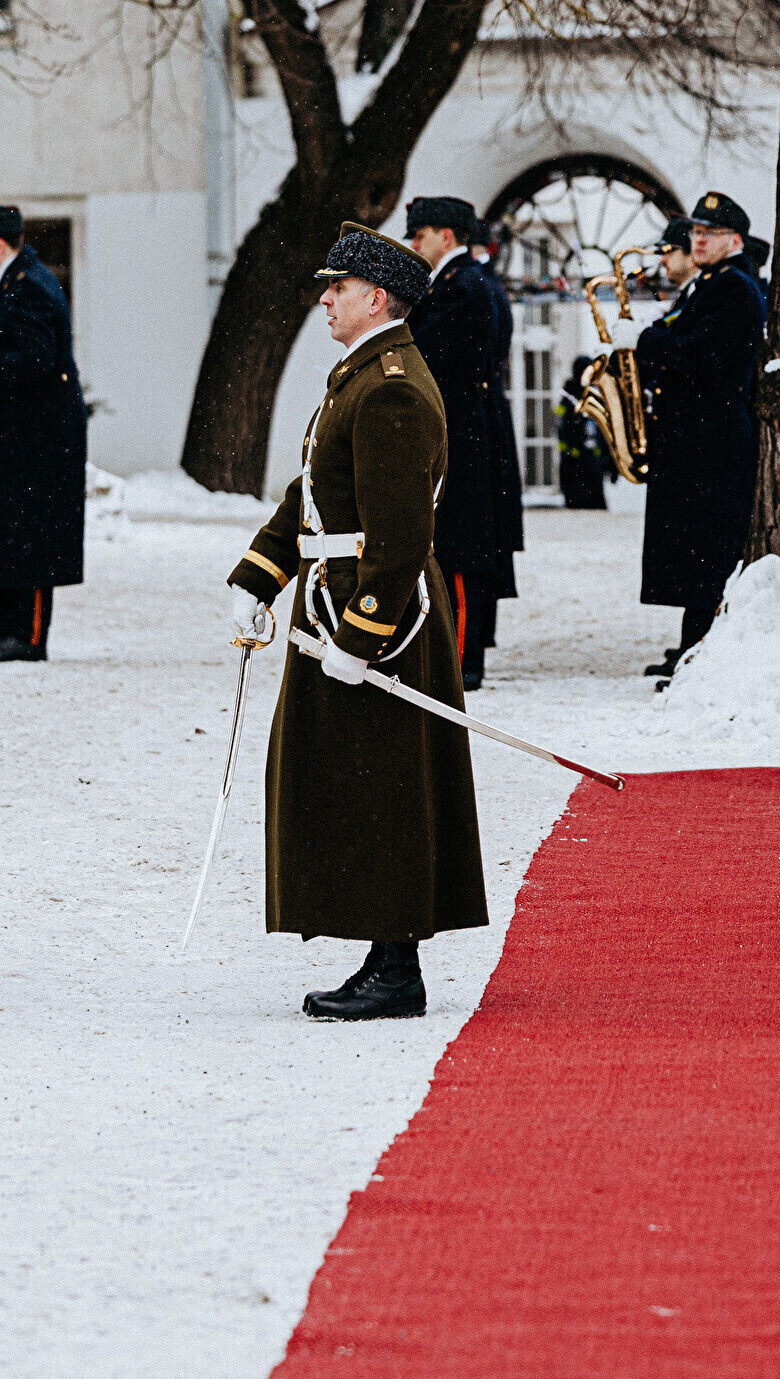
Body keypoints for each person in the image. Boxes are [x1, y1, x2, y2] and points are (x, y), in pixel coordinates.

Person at [223, 222, 487, 1020]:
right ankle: (381, 952)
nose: (325, 301)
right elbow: (313, 494)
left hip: (378, 617)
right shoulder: (362, 376)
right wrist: (259, 576)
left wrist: (363, 635)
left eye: (337, 288)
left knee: (386, 787)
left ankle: (397, 968)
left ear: (376, 298)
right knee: (353, 783)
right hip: (336, 604)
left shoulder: (391, 387)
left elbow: (400, 536)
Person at [0, 205, 89, 662]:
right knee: (11, 529)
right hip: (22, 430)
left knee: (32, 533)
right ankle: (5, 629)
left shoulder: (30, 287)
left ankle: (27, 636)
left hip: (40, 434)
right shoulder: (17, 282)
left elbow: (34, 362)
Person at [635, 191, 767, 681]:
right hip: (697, 436)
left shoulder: (733, 288)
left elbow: (699, 352)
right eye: (695, 232)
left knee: (710, 552)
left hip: (714, 439)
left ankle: (700, 650)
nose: (699, 240)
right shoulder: (712, 285)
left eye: (711, 233)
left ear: (735, 241)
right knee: (696, 552)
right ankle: (691, 645)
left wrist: (649, 342)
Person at [403, 196, 523, 690]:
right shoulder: (466, 281)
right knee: (462, 544)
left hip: (463, 429)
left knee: (459, 549)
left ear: (447, 236)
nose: (414, 245)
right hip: (472, 424)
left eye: (421, 235)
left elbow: (423, 351)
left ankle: (460, 658)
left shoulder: (461, 286)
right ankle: (461, 654)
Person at [555, 355, 614, 510]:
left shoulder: (595, 394)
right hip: (574, 468)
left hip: (594, 466)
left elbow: (603, 431)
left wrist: (608, 461)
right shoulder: (568, 397)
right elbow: (563, 430)